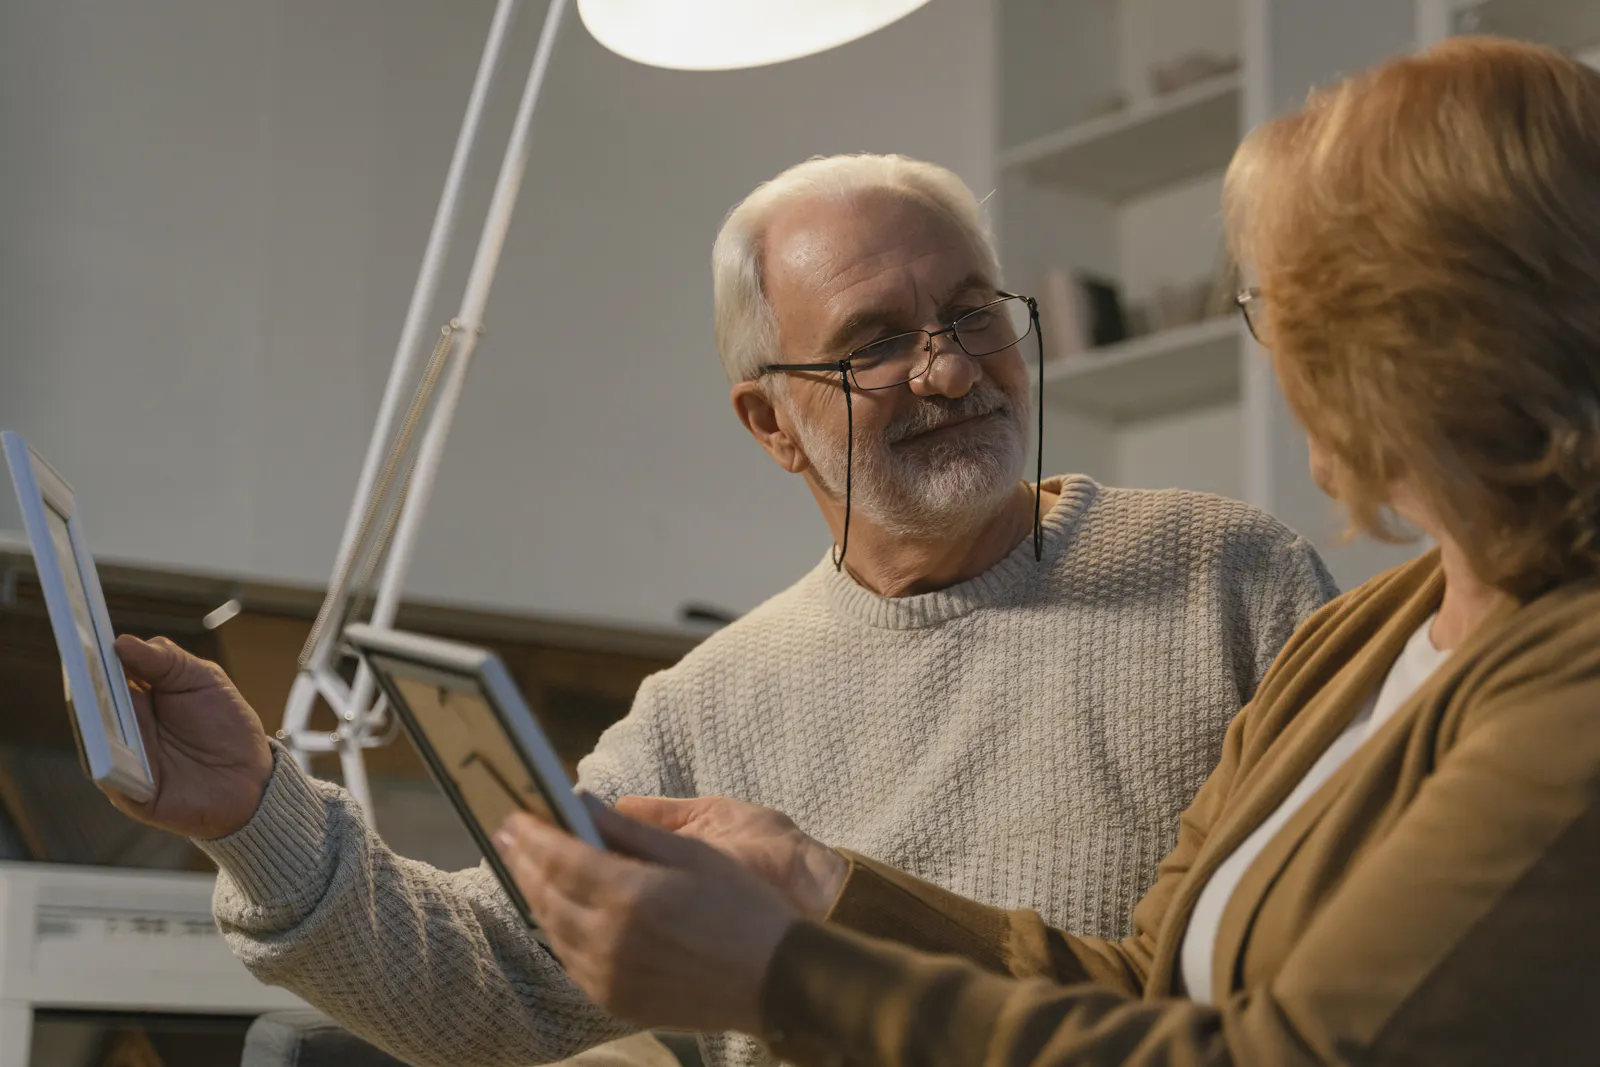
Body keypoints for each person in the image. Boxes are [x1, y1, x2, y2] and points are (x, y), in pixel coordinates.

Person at [488, 37, 1600, 1065]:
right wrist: (818, 884)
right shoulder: (1373, 633)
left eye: (1285, 311)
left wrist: (784, 971)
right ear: (769, 423)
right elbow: (1141, 983)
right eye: (875, 341)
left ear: (1429, 343)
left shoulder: (1558, 668)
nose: (1279, 358)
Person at [106, 154, 1335, 1067]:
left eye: (970, 311)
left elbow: (1321, 981)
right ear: (767, 423)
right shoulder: (704, 708)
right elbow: (499, 980)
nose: (949, 368)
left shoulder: (1224, 575)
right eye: (873, 342)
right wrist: (253, 811)